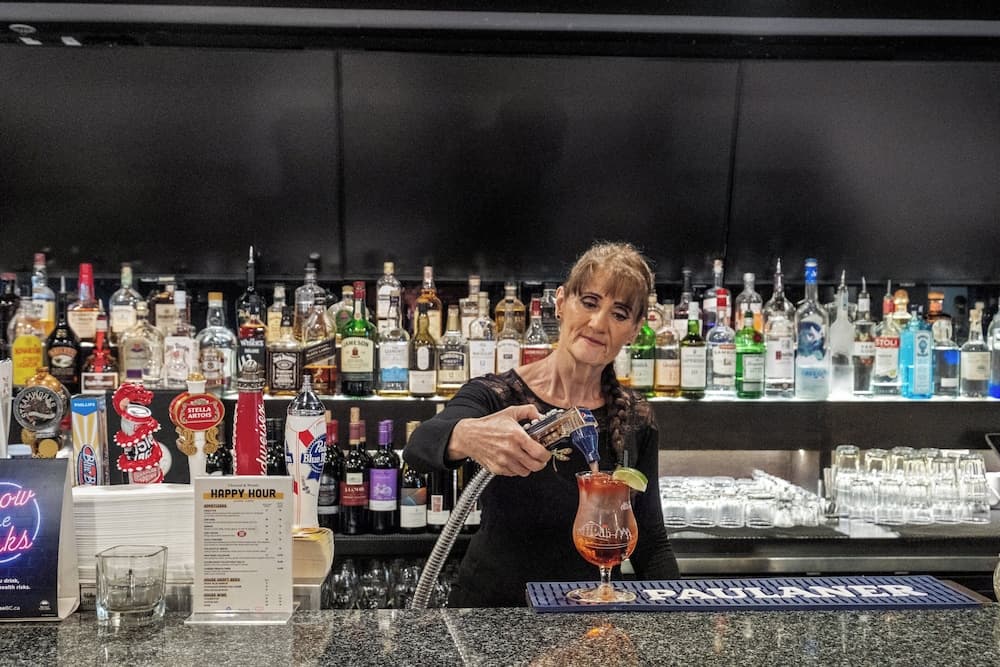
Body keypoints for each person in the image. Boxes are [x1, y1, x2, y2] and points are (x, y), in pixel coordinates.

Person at [403, 241, 679, 607]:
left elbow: (651, 542)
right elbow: (420, 447)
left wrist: (682, 615)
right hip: (489, 614)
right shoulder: (497, 395)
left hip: (580, 617)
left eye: (619, 313)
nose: (598, 323)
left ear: (634, 329)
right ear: (561, 303)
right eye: (590, 302)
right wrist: (467, 435)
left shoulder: (635, 417)